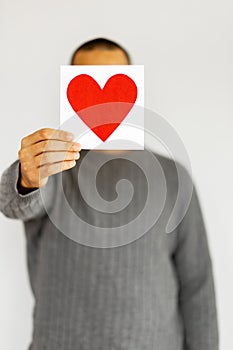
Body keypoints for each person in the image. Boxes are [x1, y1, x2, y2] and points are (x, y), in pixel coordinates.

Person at [0, 38, 218, 350]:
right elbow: (13, 204)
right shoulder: (53, 170)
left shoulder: (173, 176)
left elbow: (198, 287)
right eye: (88, 83)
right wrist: (27, 176)